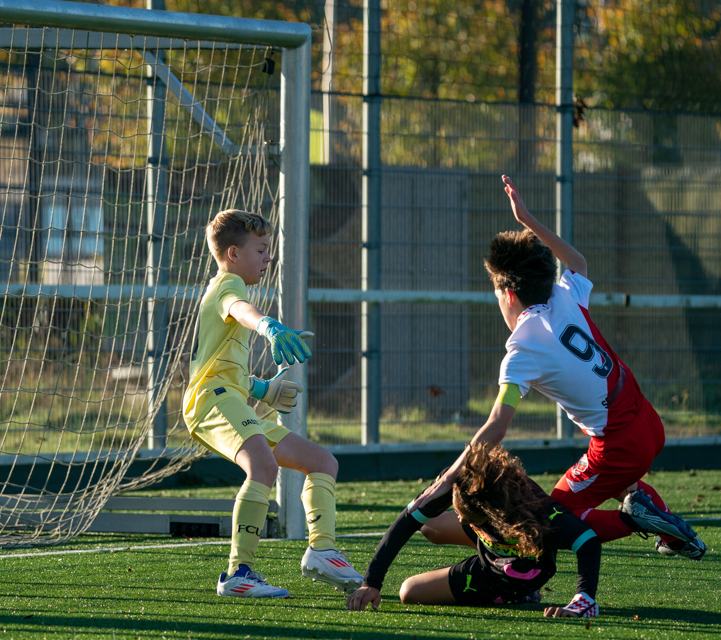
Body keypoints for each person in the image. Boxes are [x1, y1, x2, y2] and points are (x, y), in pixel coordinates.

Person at [411, 175, 706, 561]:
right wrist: (528, 219)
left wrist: (450, 475)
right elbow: (577, 261)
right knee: (623, 482)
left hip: (618, 443)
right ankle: (672, 534)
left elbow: (497, 424)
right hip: (649, 424)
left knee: (554, 519)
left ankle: (637, 521)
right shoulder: (565, 295)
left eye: (497, 295)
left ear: (509, 294)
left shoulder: (521, 346)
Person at [183, 209, 364, 598]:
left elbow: (223, 368)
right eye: (262, 250)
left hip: (228, 397)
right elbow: (241, 311)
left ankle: (322, 549)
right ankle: (238, 573)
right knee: (262, 466)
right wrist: (269, 326)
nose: (269, 258)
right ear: (233, 253)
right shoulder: (227, 286)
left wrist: (263, 390)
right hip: (210, 401)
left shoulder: (230, 285)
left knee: (321, 462)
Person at [346, 442, 603, 618]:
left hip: (514, 572)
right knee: (427, 524)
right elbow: (407, 521)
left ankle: (521, 594)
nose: (457, 515)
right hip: (494, 544)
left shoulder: (538, 509)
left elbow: (588, 542)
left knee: (409, 591)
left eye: (463, 514)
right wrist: (372, 582)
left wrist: (583, 600)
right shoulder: (460, 480)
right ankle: (487, 548)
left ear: (491, 514)